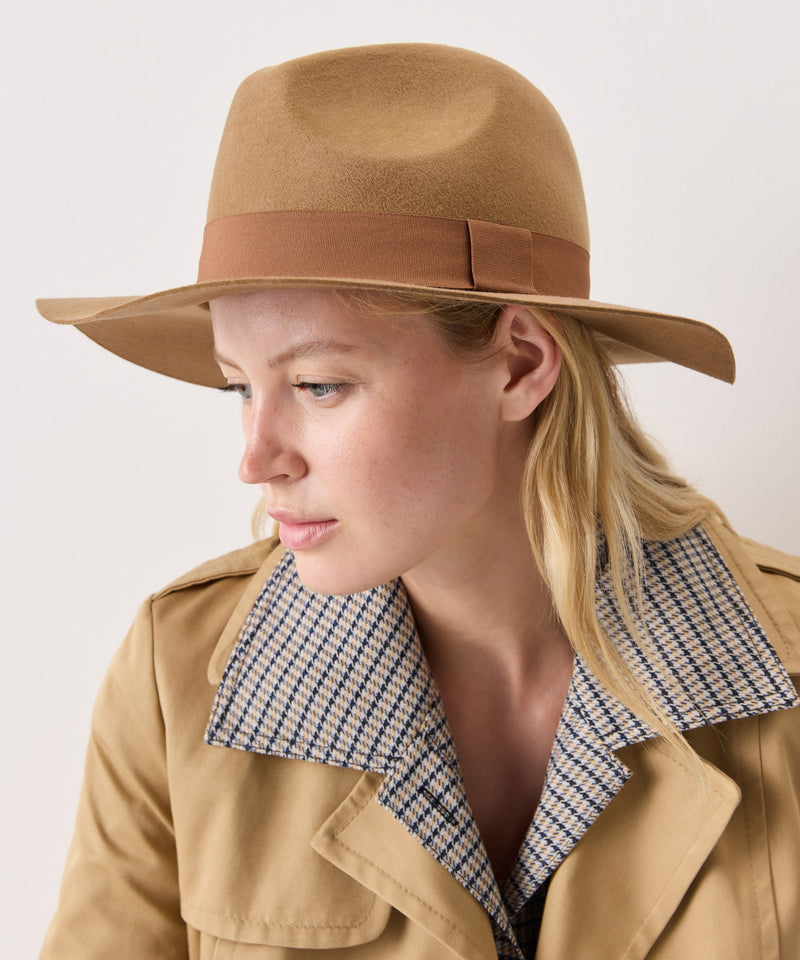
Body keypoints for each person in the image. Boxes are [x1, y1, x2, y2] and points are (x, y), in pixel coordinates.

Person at [36, 43, 800, 960]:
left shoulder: (785, 675)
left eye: (318, 384)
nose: (256, 459)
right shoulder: (176, 681)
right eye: (239, 385)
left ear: (520, 363)